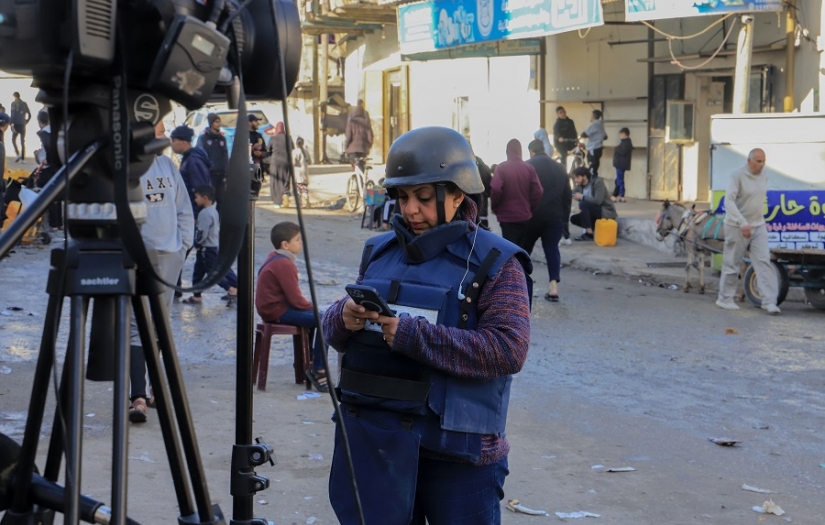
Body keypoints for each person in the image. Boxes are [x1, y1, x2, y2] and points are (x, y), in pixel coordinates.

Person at [322, 126, 532, 525]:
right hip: (377, 443)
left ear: (457, 194)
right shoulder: (378, 252)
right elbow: (335, 335)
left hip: (458, 458)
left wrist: (411, 335)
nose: (410, 210)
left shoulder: (497, 263)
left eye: (423, 197)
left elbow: (508, 349)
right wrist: (342, 318)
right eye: (402, 197)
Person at [128, 121, 195, 423]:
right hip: (138, 258)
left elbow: (183, 207)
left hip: (170, 255)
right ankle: (137, 396)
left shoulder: (168, 165)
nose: (165, 133)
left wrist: (184, 245)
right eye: (158, 128)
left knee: (159, 325)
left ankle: (155, 386)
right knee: (135, 325)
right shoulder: (127, 166)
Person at [255, 221, 328, 391]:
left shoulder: (274, 257)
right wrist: (315, 308)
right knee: (325, 319)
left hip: (271, 308)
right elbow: (296, 300)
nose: (300, 243)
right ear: (285, 244)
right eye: (297, 240)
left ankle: (304, 363)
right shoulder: (284, 264)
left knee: (316, 317)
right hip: (277, 311)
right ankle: (319, 369)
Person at [716, 148, 780, 314]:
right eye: (758, 161)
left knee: (764, 262)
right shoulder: (737, 176)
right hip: (737, 226)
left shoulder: (764, 176)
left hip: (758, 226)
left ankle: (769, 301)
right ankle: (725, 298)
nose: (762, 165)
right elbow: (729, 202)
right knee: (732, 263)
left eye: (764, 161)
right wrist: (742, 222)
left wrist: (754, 223)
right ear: (749, 161)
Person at [523, 139, 571, 302]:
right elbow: (567, 197)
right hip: (554, 216)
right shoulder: (559, 168)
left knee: (525, 250)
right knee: (552, 249)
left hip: (532, 216)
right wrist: (565, 222)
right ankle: (553, 287)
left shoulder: (528, 165)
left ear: (531, 151)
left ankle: (520, 283)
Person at [181, 185, 238, 304]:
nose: (195, 200)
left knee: (212, 273)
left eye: (197, 197)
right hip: (211, 247)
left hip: (205, 248)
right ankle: (197, 295)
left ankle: (230, 289)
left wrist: (197, 242)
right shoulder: (213, 211)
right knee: (198, 272)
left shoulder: (204, 214)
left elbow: (202, 232)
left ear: (205, 198)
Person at [490, 138, 542, 248]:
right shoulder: (528, 168)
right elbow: (538, 191)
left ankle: (512, 266)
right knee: (521, 248)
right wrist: (530, 207)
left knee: (509, 249)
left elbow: (495, 189)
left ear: (507, 151)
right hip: (524, 215)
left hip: (507, 216)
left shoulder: (502, 168)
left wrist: (495, 207)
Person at [170, 125, 211, 216]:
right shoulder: (188, 158)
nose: (171, 144)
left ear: (183, 141)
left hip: (193, 212)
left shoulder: (193, 160)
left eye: (173, 140)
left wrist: (195, 215)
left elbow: (200, 190)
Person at [570, 166, 617, 241]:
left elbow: (598, 201)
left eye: (577, 177)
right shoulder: (580, 186)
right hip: (594, 213)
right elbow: (573, 192)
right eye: (575, 178)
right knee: (574, 219)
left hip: (605, 211)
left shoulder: (598, 182)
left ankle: (589, 233)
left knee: (583, 204)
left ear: (584, 176)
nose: (575, 180)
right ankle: (596, 229)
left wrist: (582, 197)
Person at [195, 112, 228, 208]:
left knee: (221, 199)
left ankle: (219, 220)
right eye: (216, 122)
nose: (219, 124)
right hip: (209, 174)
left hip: (221, 174)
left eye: (219, 122)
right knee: (210, 199)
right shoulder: (203, 138)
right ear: (211, 123)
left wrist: (226, 169)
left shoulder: (222, 139)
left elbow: (225, 155)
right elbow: (200, 155)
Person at [266, 121, 292, 207]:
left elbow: (268, 150)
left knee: (276, 181)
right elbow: (292, 149)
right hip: (286, 162)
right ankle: (285, 194)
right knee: (285, 179)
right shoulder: (289, 138)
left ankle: (277, 202)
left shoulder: (273, 138)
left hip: (275, 162)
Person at [344, 99, 373, 163]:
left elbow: (348, 137)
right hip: (363, 148)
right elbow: (370, 137)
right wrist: (368, 146)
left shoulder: (351, 122)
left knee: (354, 166)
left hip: (352, 150)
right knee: (361, 166)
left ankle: (355, 170)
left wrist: (346, 147)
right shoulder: (366, 122)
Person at [580, 109, 607, 178]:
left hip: (593, 148)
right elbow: (605, 137)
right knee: (595, 166)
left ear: (593, 116)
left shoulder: (594, 124)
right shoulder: (601, 124)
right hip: (599, 148)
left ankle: (592, 183)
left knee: (592, 168)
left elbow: (584, 134)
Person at [611, 127, 633, 203]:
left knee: (619, 180)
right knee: (618, 180)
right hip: (621, 164)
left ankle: (622, 195)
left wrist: (616, 148)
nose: (620, 136)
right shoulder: (626, 142)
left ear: (624, 134)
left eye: (621, 134)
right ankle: (614, 195)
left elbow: (622, 152)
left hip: (620, 164)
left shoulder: (625, 142)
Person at [10, 92, 31, 162]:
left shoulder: (13, 104)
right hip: (22, 124)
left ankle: (18, 154)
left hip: (16, 124)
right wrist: (26, 122)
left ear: (14, 96)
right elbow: (29, 115)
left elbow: (12, 115)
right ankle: (23, 159)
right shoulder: (24, 104)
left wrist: (11, 124)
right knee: (22, 141)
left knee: (13, 140)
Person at [292, 136, 311, 207]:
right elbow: (309, 162)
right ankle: (306, 197)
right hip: (305, 171)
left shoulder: (294, 151)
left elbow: (293, 162)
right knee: (304, 185)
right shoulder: (306, 151)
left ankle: (299, 203)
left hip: (297, 171)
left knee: (298, 187)